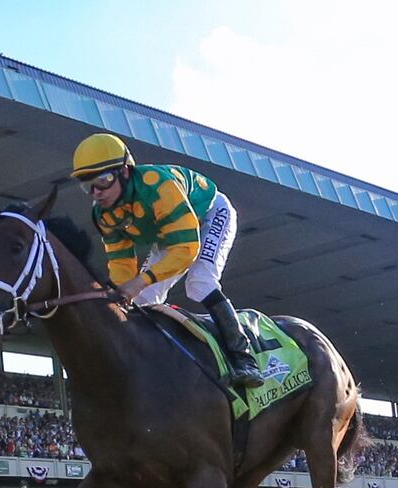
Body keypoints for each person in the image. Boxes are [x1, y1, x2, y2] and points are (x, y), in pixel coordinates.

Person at [71, 132, 262, 388]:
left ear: (125, 171)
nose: (97, 193)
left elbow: (187, 248)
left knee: (200, 282)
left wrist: (140, 281)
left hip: (210, 215)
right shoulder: (104, 215)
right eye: (87, 186)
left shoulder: (158, 186)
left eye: (103, 180)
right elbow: (121, 263)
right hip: (170, 232)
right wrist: (120, 295)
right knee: (140, 301)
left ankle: (244, 358)